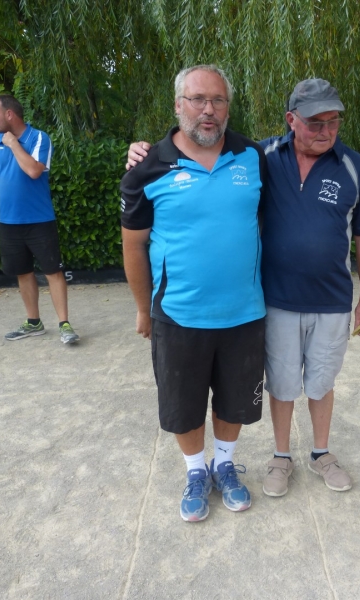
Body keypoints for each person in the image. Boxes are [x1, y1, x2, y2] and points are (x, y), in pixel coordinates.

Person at [127, 78, 360, 496]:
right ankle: (276, 458)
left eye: (333, 122)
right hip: (273, 299)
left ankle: (319, 453)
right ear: (291, 120)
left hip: (329, 300)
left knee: (321, 382)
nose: (325, 131)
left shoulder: (350, 166)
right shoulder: (263, 156)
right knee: (280, 384)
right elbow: (203, 150)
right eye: (314, 122)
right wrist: (142, 151)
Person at [121, 65, 266, 522]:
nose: (208, 110)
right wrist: (143, 309)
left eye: (218, 100)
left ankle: (224, 464)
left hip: (244, 311)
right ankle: (196, 471)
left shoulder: (253, 156)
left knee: (235, 400)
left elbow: (267, 216)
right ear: (178, 105)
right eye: (198, 99)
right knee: (182, 407)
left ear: (228, 108)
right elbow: (133, 245)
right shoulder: (147, 168)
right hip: (178, 313)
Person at [0, 95, 79, 344]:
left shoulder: (38, 138)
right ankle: (34, 322)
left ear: (9, 114)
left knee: (53, 271)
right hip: (8, 222)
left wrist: (13, 144)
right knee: (23, 272)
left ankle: (64, 324)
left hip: (39, 220)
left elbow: (33, 170)